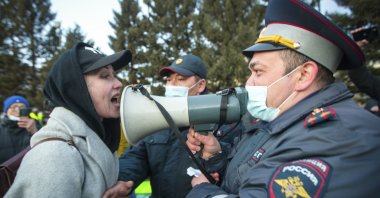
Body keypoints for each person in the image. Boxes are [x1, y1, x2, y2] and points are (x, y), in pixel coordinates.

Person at [185, 0, 380, 197]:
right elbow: (251, 174)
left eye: (258, 72)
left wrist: (202, 190)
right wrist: (216, 155)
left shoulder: (338, 139)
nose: (248, 83)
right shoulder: (280, 120)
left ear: (303, 76)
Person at [5, 42, 132, 197]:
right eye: (105, 76)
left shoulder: (99, 139)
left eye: (114, 75)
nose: (118, 83)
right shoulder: (53, 156)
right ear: (76, 90)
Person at [103, 54, 239, 198]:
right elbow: (137, 155)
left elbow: (235, 166)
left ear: (200, 85)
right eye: (168, 80)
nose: (172, 85)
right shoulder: (156, 118)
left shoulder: (224, 121)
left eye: (181, 79)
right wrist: (124, 179)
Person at [0, 95, 38, 163]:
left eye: (22, 107)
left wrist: (34, 131)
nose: (18, 110)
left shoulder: (37, 127)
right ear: (6, 111)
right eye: (14, 107)